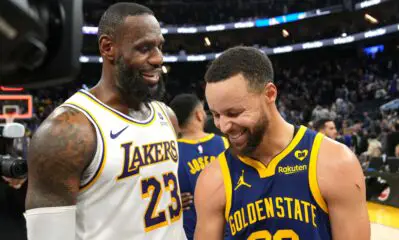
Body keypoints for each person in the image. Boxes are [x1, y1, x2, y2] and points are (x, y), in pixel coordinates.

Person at [24, 3, 187, 240]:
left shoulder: (167, 116)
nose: (158, 58)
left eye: (160, 47)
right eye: (145, 48)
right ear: (108, 47)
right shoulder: (67, 131)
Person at [194, 46, 370, 240]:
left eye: (234, 113)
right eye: (216, 115)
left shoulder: (336, 162)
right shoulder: (213, 179)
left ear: (269, 94)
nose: (224, 126)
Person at [169, 94, 229, 240]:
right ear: (199, 115)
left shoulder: (170, 150)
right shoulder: (223, 143)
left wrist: (170, 201)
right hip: (224, 226)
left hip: (188, 230)